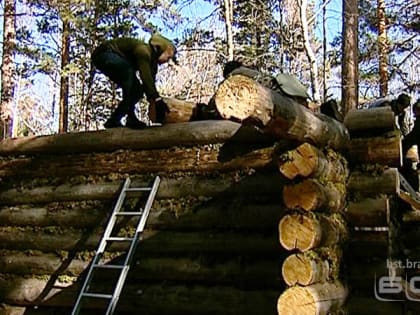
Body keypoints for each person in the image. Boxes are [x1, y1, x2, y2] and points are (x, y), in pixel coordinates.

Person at [91, 33, 177, 129]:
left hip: (115, 59)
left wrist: (155, 102)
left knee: (137, 92)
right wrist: (157, 99)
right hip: (104, 53)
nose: (167, 61)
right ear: (160, 49)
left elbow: (149, 85)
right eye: (168, 57)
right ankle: (131, 118)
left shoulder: (153, 65)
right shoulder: (143, 51)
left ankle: (114, 120)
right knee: (129, 74)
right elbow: (145, 76)